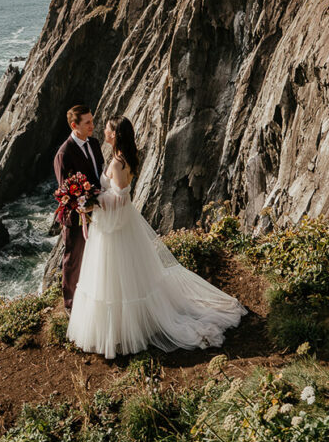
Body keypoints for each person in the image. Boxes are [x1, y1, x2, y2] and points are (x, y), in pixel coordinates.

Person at [67, 116, 247, 359]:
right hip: (114, 225)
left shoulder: (119, 163)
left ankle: (124, 330)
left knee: (115, 276)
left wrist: (92, 202)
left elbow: (120, 199)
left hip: (116, 227)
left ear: (115, 134)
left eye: (108, 129)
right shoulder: (121, 159)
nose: (104, 131)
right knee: (119, 276)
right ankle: (119, 328)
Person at [53, 104, 104, 313]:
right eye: (88, 122)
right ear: (75, 125)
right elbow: (65, 191)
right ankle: (70, 304)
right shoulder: (64, 153)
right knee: (73, 258)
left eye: (92, 120)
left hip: (98, 212)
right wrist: (84, 204)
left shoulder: (94, 143)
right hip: (76, 217)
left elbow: (98, 172)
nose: (93, 125)